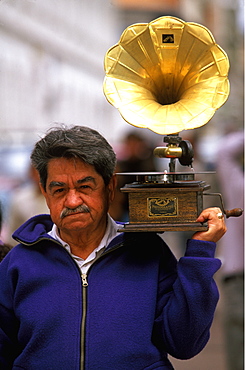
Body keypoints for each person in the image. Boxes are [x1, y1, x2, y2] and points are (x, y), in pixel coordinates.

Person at [0, 125, 227, 370]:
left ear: (110, 187)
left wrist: (200, 254)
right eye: (59, 190)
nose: (73, 200)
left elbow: (184, 343)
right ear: (44, 192)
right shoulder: (18, 263)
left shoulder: (147, 251)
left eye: (85, 187)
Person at [216, 130, 244, 370]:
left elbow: (225, 151)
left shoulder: (238, 185)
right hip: (237, 273)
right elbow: (225, 151)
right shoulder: (239, 185)